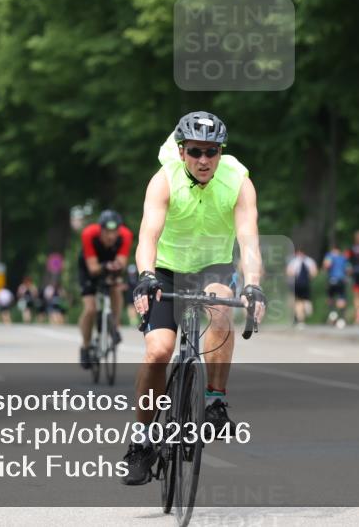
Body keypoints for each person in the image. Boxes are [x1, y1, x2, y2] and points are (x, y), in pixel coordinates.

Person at [122, 111, 265, 486]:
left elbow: (248, 239)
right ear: (183, 151)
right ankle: (141, 440)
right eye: (196, 151)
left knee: (221, 309)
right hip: (166, 268)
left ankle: (215, 401)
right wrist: (147, 276)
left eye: (212, 152)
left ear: (221, 152)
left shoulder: (238, 181)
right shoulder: (164, 179)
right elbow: (147, 237)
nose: (204, 160)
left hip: (212, 267)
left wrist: (252, 284)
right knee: (158, 351)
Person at [77, 210, 134, 368]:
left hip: (110, 267)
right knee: (90, 309)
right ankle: (86, 346)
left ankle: (114, 326)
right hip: (89, 268)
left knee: (116, 289)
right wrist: (106, 266)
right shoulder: (89, 234)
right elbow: (93, 268)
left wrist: (116, 268)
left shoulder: (126, 235)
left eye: (114, 232)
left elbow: (121, 262)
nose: (110, 236)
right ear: (100, 229)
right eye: (107, 232)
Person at [286, 247, 318, 328]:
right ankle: (303, 316)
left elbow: (289, 272)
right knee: (305, 301)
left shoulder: (294, 261)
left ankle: (301, 320)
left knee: (298, 302)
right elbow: (314, 273)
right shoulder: (310, 261)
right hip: (306, 284)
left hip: (297, 284)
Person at [322, 243, 349, 327]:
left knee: (330, 297)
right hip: (342, 280)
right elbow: (348, 269)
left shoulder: (330, 256)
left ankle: (333, 313)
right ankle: (341, 317)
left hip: (332, 279)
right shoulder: (343, 257)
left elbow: (327, 265)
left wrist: (325, 268)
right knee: (341, 298)